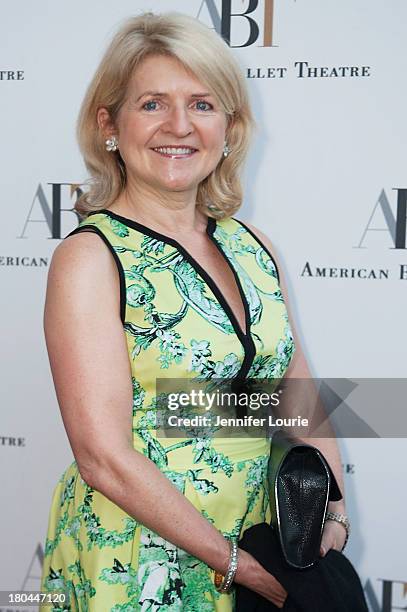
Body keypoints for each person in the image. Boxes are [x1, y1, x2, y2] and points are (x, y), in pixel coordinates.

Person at [39, 11, 348, 611]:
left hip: (262, 541)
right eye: (152, 103)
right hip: (141, 560)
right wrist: (242, 570)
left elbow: (295, 395)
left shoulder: (254, 247)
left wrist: (332, 508)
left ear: (229, 127)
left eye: (202, 105)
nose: (179, 126)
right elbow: (104, 456)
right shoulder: (91, 257)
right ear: (110, 124)